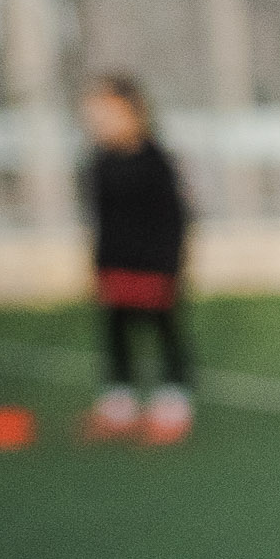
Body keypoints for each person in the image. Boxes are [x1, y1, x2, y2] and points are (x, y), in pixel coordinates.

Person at [81, 73, 194, 442]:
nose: (99, 123)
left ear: (134, 113)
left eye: (108, 114)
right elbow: (101, 219)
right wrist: (99, 264)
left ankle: (174, 401)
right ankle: (119, 402)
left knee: (164, 329)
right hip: (115, 263)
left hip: (155, 266)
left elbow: (176, 218)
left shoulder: (156, 162)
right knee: (116, 331)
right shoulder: (99, 164)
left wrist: (170, 265)